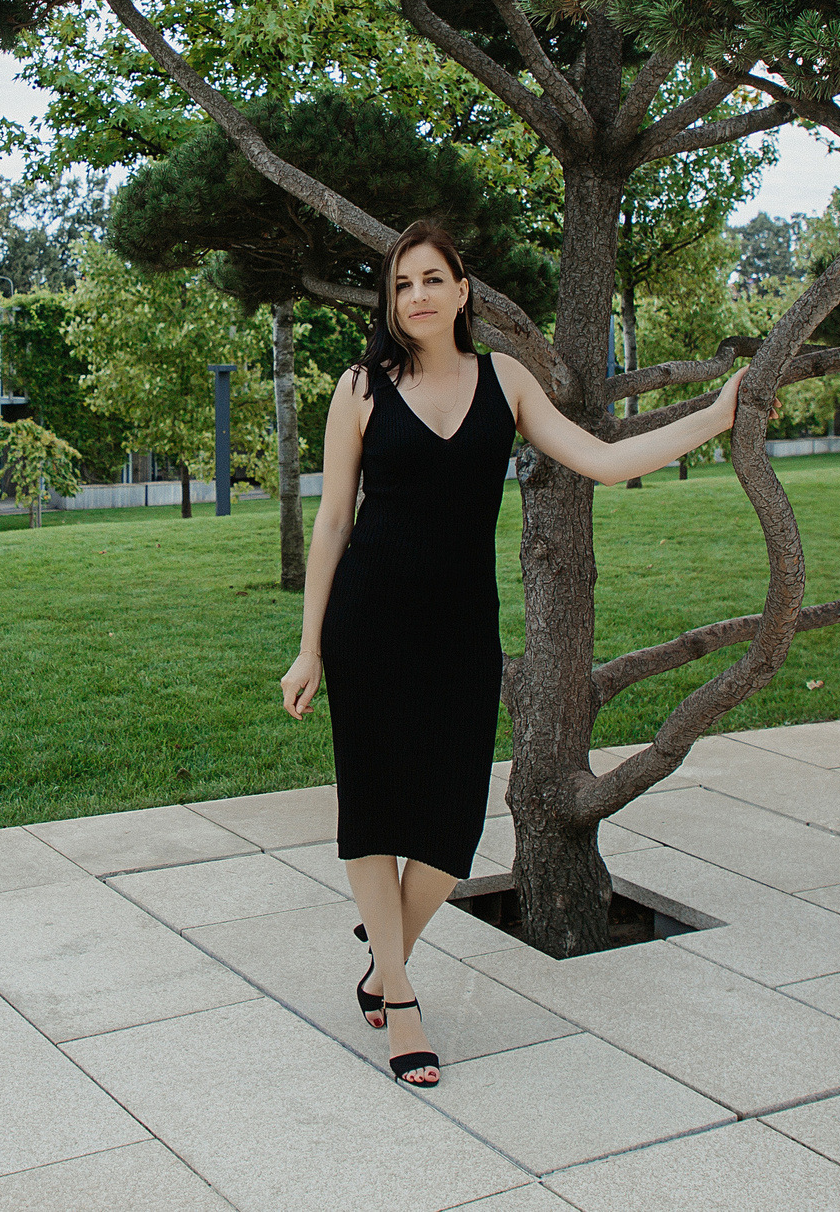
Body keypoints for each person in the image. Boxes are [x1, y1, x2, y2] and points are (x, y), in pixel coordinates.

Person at [279, 218, 754, 1088]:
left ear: (463, 291)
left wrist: (716, 416)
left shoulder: (506, 380)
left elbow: (604, 460)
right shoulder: (360, 387)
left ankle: (383, 953)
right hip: (369, 625)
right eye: (402, 283)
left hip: (463, 631)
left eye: (432, 278)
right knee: (374, 812)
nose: (417, 295)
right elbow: (334, 521)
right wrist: (309, 647)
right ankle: (400, 996)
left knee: (452, 828)